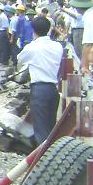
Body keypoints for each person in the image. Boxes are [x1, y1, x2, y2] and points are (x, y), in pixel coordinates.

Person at [15, 16, 63, 147]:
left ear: (33, 30)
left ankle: (43, 160)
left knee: (41, 130)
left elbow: (20, 60)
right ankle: (51, 155)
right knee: (50, 127)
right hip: (53, 90)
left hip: (39, 89)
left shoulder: (32, 47)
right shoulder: (57, 46)